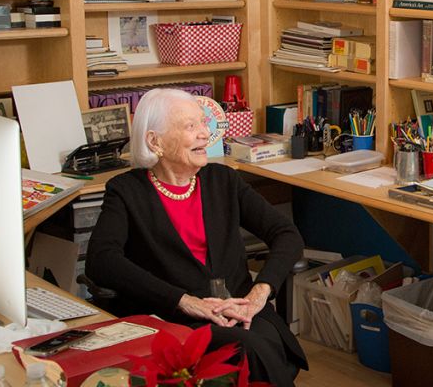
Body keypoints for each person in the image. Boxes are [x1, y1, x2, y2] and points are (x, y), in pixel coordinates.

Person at [86, 88, 307, 386]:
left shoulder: (223, 180)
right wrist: (184, 301)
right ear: (155, 141)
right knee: (251, 350)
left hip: (240, 307)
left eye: (204, 123)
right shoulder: (126, 191)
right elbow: (102, 261)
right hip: (176, 318)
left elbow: (286, 234)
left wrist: (258, 294)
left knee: (266, 344)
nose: (205, 133)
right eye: (191, 127)